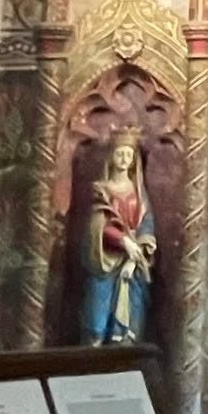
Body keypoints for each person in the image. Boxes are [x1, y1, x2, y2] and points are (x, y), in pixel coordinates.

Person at [80, 130, 156, 345]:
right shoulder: (101, 191)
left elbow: (146, 223)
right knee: (96, 319)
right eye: (120, 154)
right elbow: (97, 224)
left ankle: (123, 350)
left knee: (129, 324)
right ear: (111, 157)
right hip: (104, 259)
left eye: (128, 155)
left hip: (132, 261)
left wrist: (137, 253)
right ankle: (93, 353)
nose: (124, 159)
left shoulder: (139, 193)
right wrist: (123, 241)